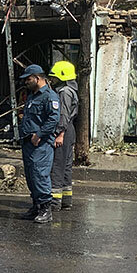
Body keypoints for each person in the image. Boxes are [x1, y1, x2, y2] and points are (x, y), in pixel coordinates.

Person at [18, 64, 60, 224]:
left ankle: (45, 209)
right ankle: (36, 206)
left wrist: (39, 134)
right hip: (28, 142)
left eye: (28, 79)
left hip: (41, 144)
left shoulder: (49, 96)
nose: (26, 82)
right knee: (31, 176)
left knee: (39, 174)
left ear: (37, 78)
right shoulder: (32, 96)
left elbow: (53, 119)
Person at [47, 61, 79, 210]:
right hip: (69, 130)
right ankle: (66, 200)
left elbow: (63, 115)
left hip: (63, 131)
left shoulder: (64, 92)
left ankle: (54, 202)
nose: (52, 79)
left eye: (54, 77)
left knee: (57, 166)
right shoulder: (70, 90)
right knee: (66, 167)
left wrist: (60, 133)